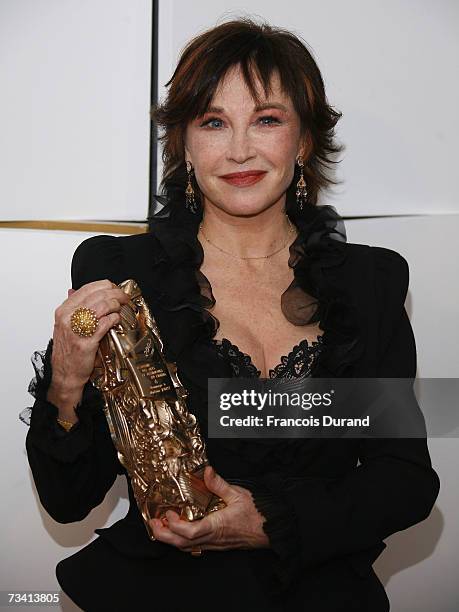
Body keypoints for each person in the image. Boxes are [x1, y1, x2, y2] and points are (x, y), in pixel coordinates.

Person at [22, 17, 440, 612]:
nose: (239, 148)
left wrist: (269, 522)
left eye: (267, 119)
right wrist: (66, 379)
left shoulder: (370, 280)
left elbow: (405, 480)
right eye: (213, 122)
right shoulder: (118, 268)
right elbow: (69, 498)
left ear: (303, 141)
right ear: (184, 144)